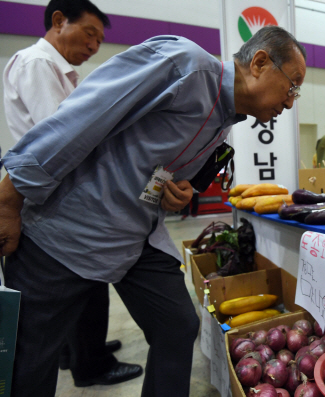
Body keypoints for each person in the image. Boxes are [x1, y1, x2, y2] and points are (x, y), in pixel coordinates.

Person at [0, 25, 306, 397]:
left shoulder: (221, 123)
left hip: (134, 236)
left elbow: (153, 167)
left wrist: (174, 193)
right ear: (259, 62)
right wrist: (9, 198)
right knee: (30, 362)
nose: (291, 102)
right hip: (68, 231)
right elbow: (81, 118)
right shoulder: (184, 65)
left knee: (177, 325)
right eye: (292, 86)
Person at [2, 0, 142, 388]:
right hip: (57, 199)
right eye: (90, 34)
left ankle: (79, 351)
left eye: (99, 39)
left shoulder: (59, 70)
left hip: (58, 195)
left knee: (79, 294)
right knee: (85, 288)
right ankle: (90, 364)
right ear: (59, 21)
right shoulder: (38, 65)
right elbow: (63, 136)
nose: (95, 46)